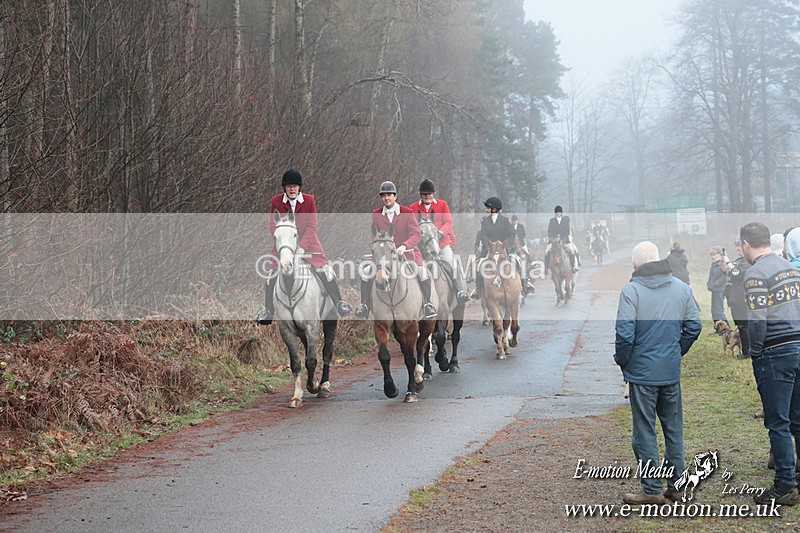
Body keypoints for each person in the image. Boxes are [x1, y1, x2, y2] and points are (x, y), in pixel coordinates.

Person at [614, 241, 702, 504]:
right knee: (673, 429)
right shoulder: (682, 288)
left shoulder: (631, 291)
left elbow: (625, 335)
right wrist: (676, 351)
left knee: (644, 431)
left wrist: (623, 361)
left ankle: (651, 489)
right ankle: (677, 486)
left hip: (642, 375)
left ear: (634, 264)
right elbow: (694, 327)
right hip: (669, 372)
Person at [740, 222, 800, 505]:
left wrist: (755, 351)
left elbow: (757, 319)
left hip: (776, 351)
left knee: (777, 422)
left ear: (746, 244)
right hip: (799, 346)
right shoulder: (790, 268)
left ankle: (785, 485)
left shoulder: (755, 274)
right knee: (798, 419)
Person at [257, 169, 351, 325]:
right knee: (270, 275)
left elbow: (312, 225)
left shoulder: (309, 200)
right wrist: (281, 240)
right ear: (284, 188)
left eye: (295, 186)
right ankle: (268, 311)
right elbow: (273, 224)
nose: (292, 189)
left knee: (326, 272)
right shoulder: (276, 201)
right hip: (284, 246)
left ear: (299, 187)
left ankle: (339, 303)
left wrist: (301, 248)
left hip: (309, 245)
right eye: (289, 186)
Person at [354, 180, 437, 319]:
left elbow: (416, 234)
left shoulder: (407, 212)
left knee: (422, 272)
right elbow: (375, 236)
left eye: (389, 195)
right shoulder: (376, 214)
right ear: (381, 198)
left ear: (395, 196)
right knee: (366, 272)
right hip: (384, 256)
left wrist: (404, 246)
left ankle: (427, 304)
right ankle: (365, 305)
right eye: (383, 196)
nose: (386, 198)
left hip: (406, 254)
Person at [409, 179, 469, 302]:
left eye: (429, 194)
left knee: (450, 263)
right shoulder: (413, 207)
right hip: (422, 247)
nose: (427, 196)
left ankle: (460, 291)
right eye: (425, 194)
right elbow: (412, 226)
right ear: (421, 195)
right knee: (414, 269)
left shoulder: (442, 204)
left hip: (441, 244)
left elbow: (448, 222)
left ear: (434, 193)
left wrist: (440, 233)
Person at [470, 197, 535, 299]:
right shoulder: (485, 221)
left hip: (504, 249)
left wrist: (508, 246)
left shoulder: (504, 220)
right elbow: (483, 235)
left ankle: (525, 282)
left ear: (495, 209)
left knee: (518, 260)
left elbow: (511, 234)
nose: (486, 209)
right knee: (478, 265)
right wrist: (488, 246)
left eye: (488, 207)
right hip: (489, 250)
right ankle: (478, 289)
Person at [722, 238, 751, 358]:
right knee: (742, 326)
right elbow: (728, 272)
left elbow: (736, 273)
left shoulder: (747, 262)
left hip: (742, 300)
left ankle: (747, 352)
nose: (736, 248)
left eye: (738, 246)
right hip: (735, 300)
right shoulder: (739, 260)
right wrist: (724, 263)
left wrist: (728, 262)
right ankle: (746, 350)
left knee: (745, 327)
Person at [545, 205, 580, 273]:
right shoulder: (552, 220)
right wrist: (551, 239)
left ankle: (573, 266)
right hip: (554, 241)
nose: (558, 213)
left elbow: (567, 231)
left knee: (572, 251)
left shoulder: (565, 220)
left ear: (561, 213)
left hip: (564, 240)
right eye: (557, 212)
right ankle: (546, 268)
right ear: (555, 213)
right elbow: (549, 231)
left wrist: (563, 240)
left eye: (559, 212)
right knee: (546, 252)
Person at [706, 245, 729, 327]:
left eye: (715, 254)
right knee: (714, 310)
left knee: (719, 310)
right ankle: (718, 328)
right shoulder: (714, 264)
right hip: (714, 289)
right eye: (712, 255)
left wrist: (715, 284)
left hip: (720, 290)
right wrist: (709, 283)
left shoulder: (722, 263)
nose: (713, 257)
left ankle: (727, 327)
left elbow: (725, 277)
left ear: (720, 254)